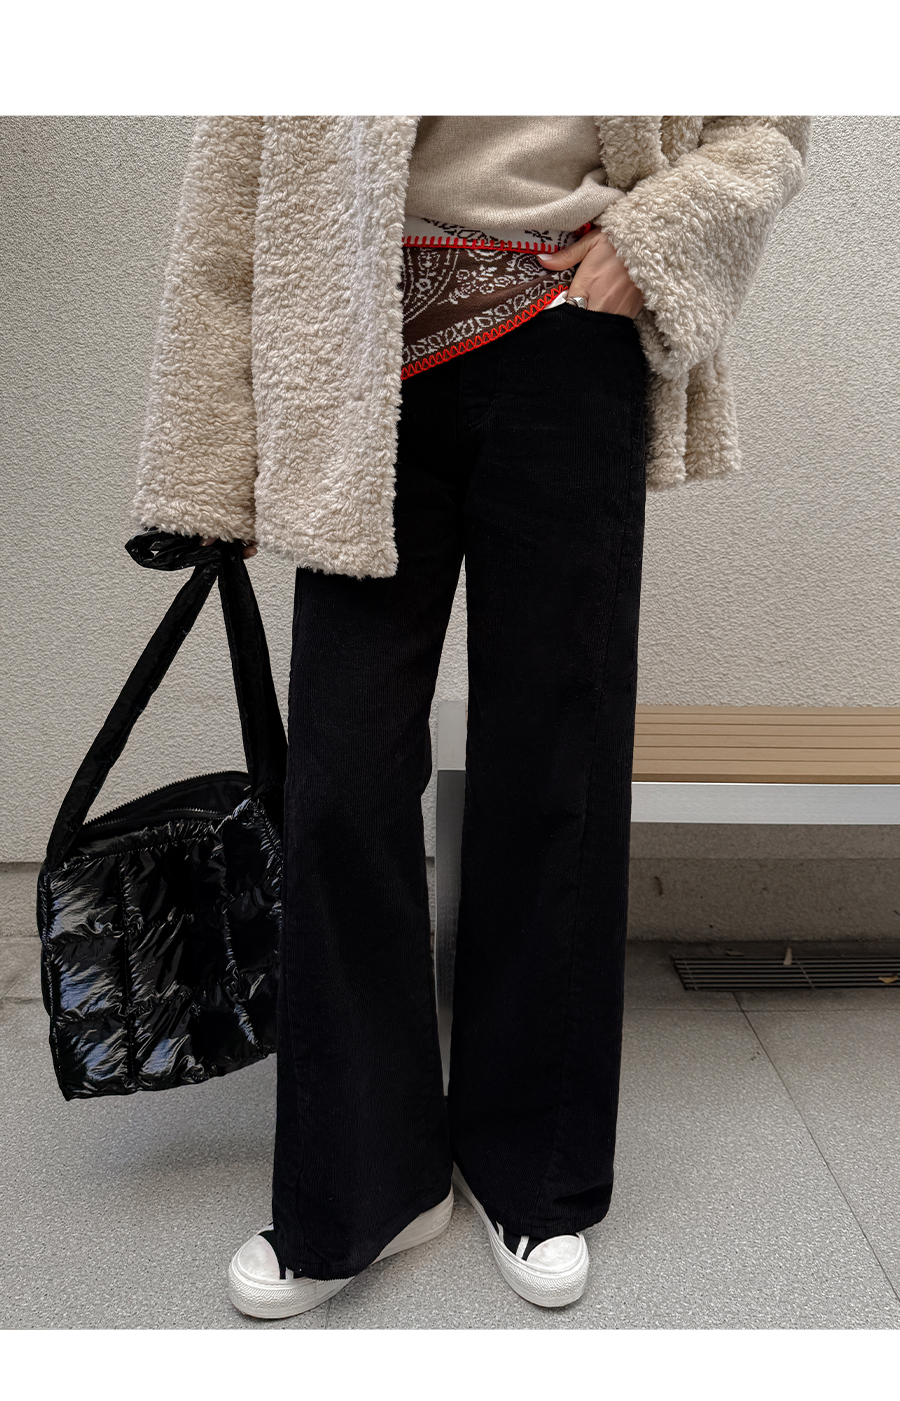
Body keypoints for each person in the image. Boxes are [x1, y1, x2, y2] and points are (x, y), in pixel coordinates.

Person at [134, 116, 811, 1316]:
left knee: (558, 766)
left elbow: (766, 117)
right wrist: (206, 466)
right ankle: (364, 1185)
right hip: (357, 354)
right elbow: (235, 182)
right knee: (342, 780)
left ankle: (533, 1170)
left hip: (567, 340)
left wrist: (650, 241)